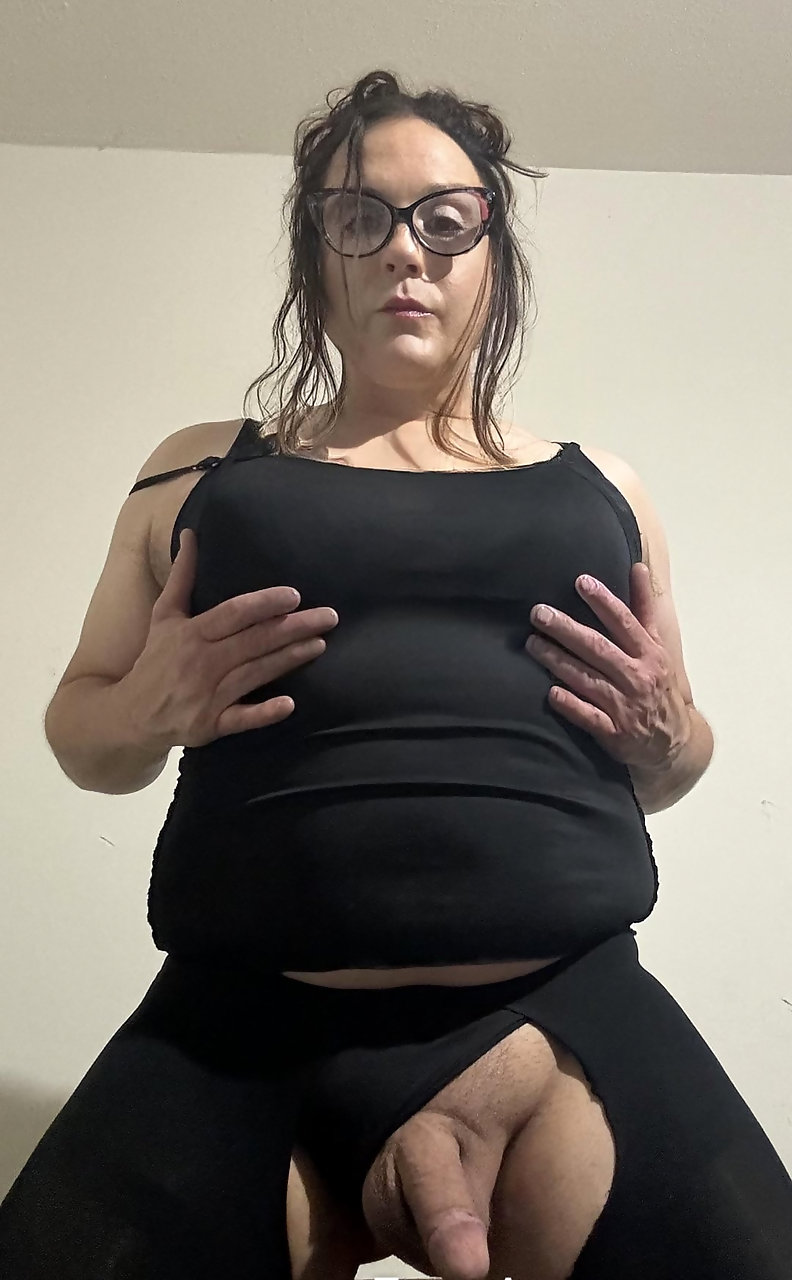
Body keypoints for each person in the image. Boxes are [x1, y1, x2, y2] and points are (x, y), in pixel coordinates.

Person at [2, 67, 791, 1280]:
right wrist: (150, 708)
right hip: (237, 1017)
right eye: (359, 216)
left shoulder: (607, 489)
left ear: (492, 256)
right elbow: (82, 738)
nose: (403, 251)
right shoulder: (197, 471)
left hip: (561, 1013)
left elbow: (674, 764)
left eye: (445, 219)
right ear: (317, 255)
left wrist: (666, 735)